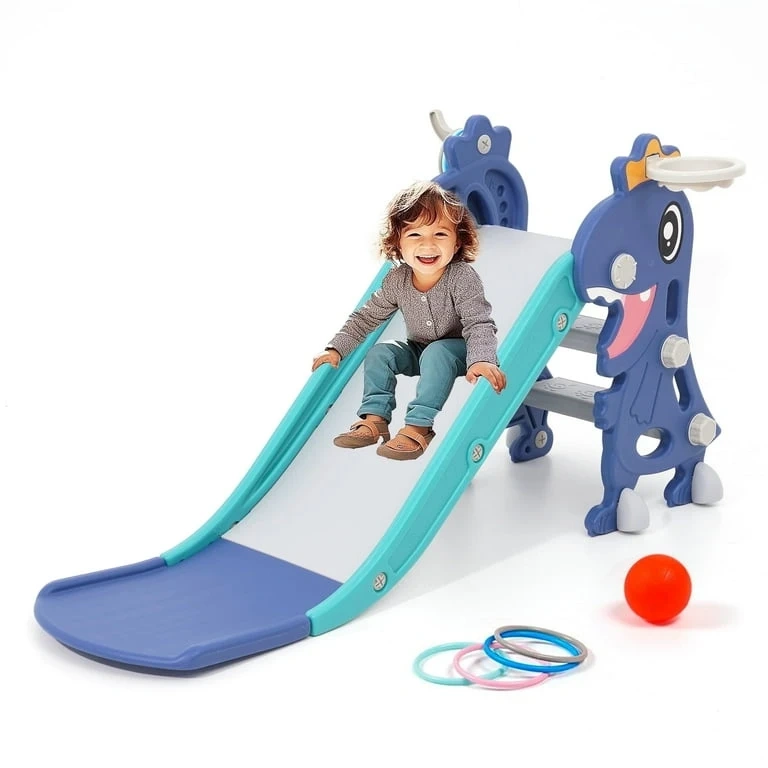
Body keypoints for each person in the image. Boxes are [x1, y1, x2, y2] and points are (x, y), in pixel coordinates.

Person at [311, 181, 507, 461]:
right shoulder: (397, 279)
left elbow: (479, 323)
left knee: (438, 351)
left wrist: (482, 359)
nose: (428, 245)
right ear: (397, 243)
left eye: (440, 234)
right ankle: (375, 419)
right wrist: (336, 348)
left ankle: (419, 426)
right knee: (380, 352)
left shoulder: (462, 277)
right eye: (415, 234)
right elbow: (366, 317)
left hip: (461, 352)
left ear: (457, 241)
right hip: (419, 350)